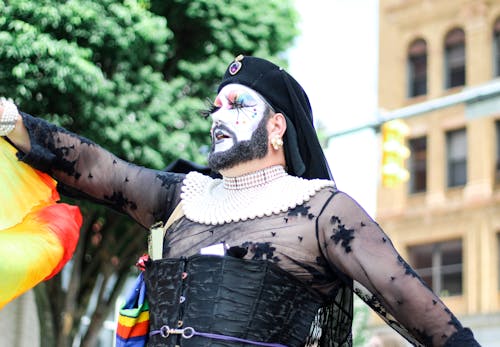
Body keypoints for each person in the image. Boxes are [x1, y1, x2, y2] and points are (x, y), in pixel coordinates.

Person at [1, 55, 480, 347]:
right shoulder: (180, 199)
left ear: (277, 128)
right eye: (216, 107)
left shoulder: (322, 211)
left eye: (238, 105)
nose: (218, 117)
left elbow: (419, 313)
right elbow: (101, 169)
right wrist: (14, 124)